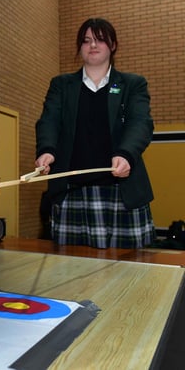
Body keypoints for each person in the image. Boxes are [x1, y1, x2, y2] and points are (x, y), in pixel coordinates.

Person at [35, 18, 155, 249]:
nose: (92, 45)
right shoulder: (61, 84)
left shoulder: (133, 84)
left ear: (113, 45)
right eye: (86, 40)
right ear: (80, 46)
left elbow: (140, 123)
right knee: (71, 270)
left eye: (99, 39)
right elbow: (48, 120)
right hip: (72, 192)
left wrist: (126, 154)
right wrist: (47, 150)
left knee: (129, 272)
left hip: (122, 193)